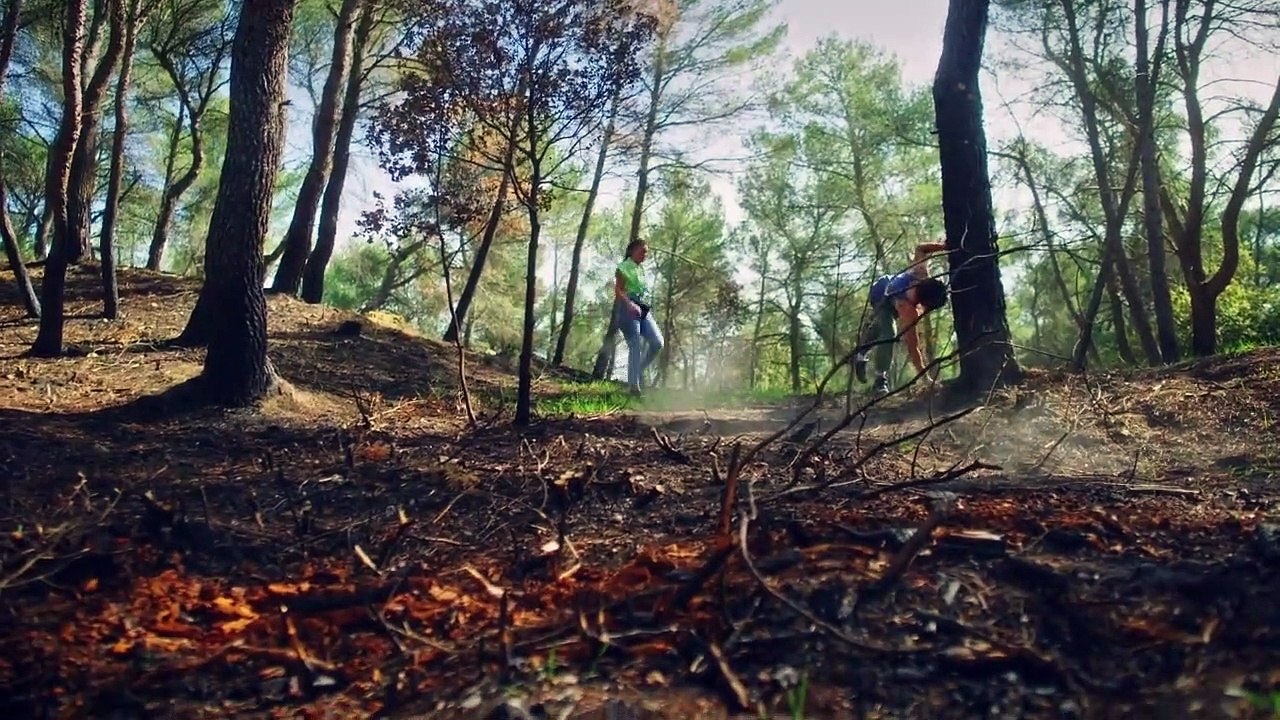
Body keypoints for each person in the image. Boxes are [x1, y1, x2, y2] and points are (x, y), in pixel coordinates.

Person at [853, 242, 950, 395]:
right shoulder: (908, 308)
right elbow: (912, 346)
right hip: (880, 294)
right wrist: (924, 378)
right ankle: (880, 380)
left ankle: (859, 354)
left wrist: (945, 247)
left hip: (893, 301)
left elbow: (921, 249)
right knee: (889, 333)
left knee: (881, 328)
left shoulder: (921, 272)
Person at [614, 239, 664, 396]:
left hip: (643, 309)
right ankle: (633, 386)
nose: (645, 254)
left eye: (647, 252)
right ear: (633, 251)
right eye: (643, 251)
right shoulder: (623, 267)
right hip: (627, 307)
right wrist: (630, 304)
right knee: (634, 344)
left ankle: (636, 370)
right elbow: (618, 290)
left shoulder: (640, 269)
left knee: (657, 343)